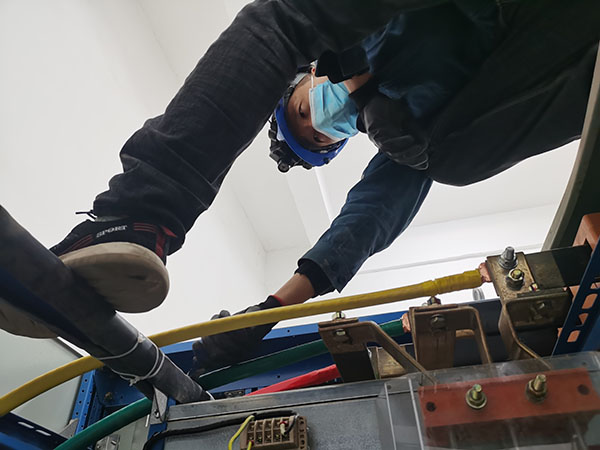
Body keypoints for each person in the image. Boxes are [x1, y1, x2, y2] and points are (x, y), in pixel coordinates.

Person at [1, 0, 598, 374]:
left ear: (307, 73)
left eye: (303, 112)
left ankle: (138, 214)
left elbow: (341, 31)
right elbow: (366, 219)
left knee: (286, 17)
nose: (318, 122)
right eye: (318, 136)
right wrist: (270, 311)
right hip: (569, 56)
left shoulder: (367, 45)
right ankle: (137, 226)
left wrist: (359, 79)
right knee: (437, 161)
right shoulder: (410, 136)